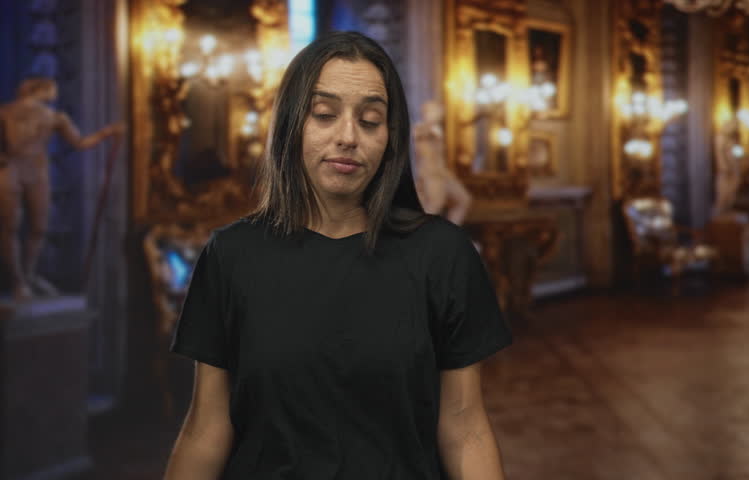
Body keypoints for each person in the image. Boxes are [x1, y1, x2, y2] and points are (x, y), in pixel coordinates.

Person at [165, 31, 512, 480]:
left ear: (390, 138)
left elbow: (465, 429)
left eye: (370, 121)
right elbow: (206, 429)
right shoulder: (232, 255)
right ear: (292, 124)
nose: (348, 136)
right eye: (324, 114)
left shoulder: (443, 255)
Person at [0, 77, 124, 301]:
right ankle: (17, 280)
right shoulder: (6, 112)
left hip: (37, 173)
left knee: (39, 227)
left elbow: (80, 142)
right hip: (11, 170)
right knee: (10, 227)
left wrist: (107, 133)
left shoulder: (56, 118)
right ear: (42, 89)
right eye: (52, 89)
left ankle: (27, 277)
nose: (55, 93)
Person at [412, 100, 472, 225]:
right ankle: (419, 237)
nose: (440, 114)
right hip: (431, 174)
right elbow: (420, 134)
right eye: (435, 111)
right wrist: (429, 125)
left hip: (443, 173)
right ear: (426, 113)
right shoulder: (420, 128)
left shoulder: (437, 130)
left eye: (439, 112)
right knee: (434, 206)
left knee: (464, 199)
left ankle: (449, 233)